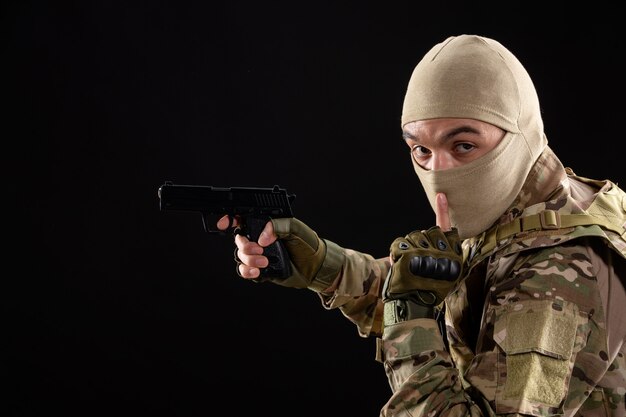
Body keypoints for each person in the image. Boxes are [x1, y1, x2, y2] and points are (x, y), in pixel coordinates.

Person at [217, 34, 626, 416]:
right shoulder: (527, 207)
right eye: (421, 149)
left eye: (463, 145)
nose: (438, 171)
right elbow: (446, 283)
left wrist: (406, 313)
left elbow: (422, 301)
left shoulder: (559, 267)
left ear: (520, 134)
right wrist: (326, 267)